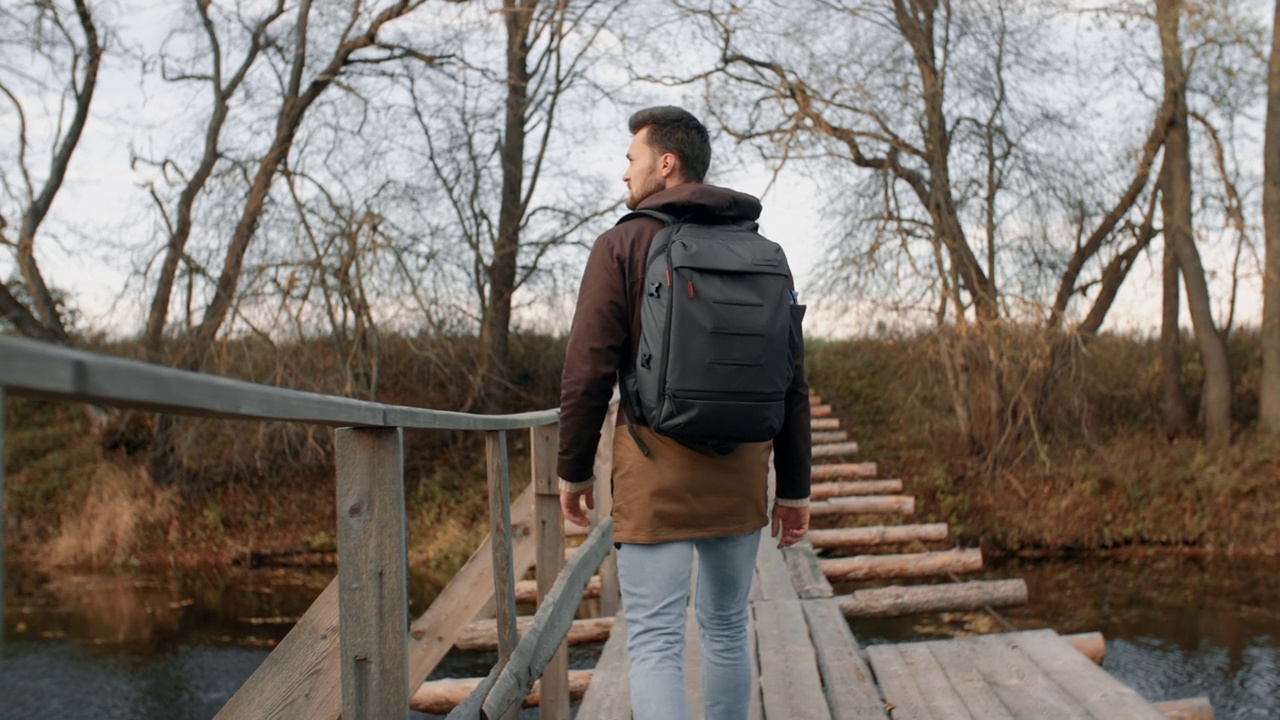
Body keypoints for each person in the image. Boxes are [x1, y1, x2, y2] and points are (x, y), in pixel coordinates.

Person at [557, 106, 812, 720]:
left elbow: (588, 367)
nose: (625, 174)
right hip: (742, 465)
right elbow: (792, 380)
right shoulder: (764, 250)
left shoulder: (622, 242)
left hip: (654, 463)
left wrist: (573, 470)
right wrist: (795, 489)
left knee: (654, 640)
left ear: (664, 163)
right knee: (726, 627)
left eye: (631, 158)